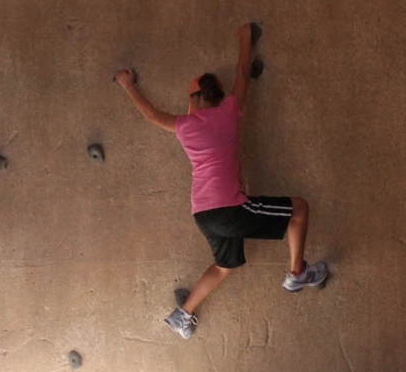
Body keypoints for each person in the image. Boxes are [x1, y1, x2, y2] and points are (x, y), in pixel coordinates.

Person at [115, 23, 328, 339]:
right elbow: (243, 72)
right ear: (217, 95)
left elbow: (151, 114)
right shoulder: (229, 110)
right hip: (229, 209)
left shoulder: (184, 126)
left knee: (225, 266)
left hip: (203, 214)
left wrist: (128, 85)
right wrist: (245, 38)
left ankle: (183, 315)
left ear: (195, 99)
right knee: (299, 209)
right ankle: (297, 272)